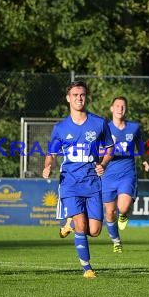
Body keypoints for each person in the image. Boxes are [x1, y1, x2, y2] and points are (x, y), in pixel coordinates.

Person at [42, 81, 114, 279]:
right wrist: (48, 166)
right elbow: (52, 154)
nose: (79, 98)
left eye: (82, 95)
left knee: (95, 230)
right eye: (75, 95)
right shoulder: (60, 128)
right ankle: (87, 268)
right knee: (82, 226)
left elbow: (110, 148)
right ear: (68, 98)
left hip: (92, 183)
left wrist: (104, 164)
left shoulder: (99, 123)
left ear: (86, 97)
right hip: (70, 183)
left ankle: (70, 225)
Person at [101, 96, 149, 253]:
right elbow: (97, 149)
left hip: (127, 173)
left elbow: (140, 146)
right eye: (117, 106)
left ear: (126, 109)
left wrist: (145, 160)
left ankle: (123, 214)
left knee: (123, 207)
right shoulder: (105, 128)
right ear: (111, 109)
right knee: (109, 212)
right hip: (108, 175)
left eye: (123, 106)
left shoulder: (134, 128)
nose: (120, 108)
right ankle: (116, 241)